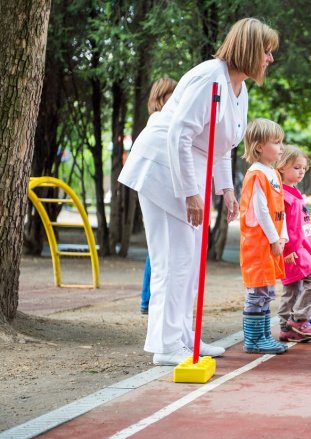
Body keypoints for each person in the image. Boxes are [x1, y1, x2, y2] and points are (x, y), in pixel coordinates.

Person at [118, 18, 279, 365]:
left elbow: (221, 148)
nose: (270, 59)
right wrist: (191, 192)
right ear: (250, 49)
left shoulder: (240, 90)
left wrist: (228, 190)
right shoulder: (209, 76)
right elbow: (180, 133)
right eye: (266, 51)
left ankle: (185, 336)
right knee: (172, 261)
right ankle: (165, 346)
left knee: (189, 263)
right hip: (162, 169)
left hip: (188, 170)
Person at [239, 119, 288, 354]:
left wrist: (283, 236)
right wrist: (273, 239)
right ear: (259, 146)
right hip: (258, 244)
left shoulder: (273, 173)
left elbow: (281, 209)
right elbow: (261, 211)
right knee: (258, 291)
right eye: (276, 142)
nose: (281, 147)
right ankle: (254, 339)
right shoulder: (256, 173)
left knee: (266, 291)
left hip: (272, 243)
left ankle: (264, 336)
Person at [275, 145, 311, 343]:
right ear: (281, 167)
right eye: (296, 167)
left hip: (302, 248)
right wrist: (289, 249)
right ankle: (299, 319)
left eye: (303, 168)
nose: (301, 172)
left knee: (293, 288)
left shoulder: (294, 193)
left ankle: (286, 326)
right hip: (293, 250)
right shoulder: (282, 196)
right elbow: (284, 226)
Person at [139, 77, 178, 315]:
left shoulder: (163, 121)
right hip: (156, 189)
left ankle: (148, 299)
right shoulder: (159, 121)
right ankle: (148, 299)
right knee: (158, 250)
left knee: (159, 249)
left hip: (159, 188)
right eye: (173, 96)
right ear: (161, 99)